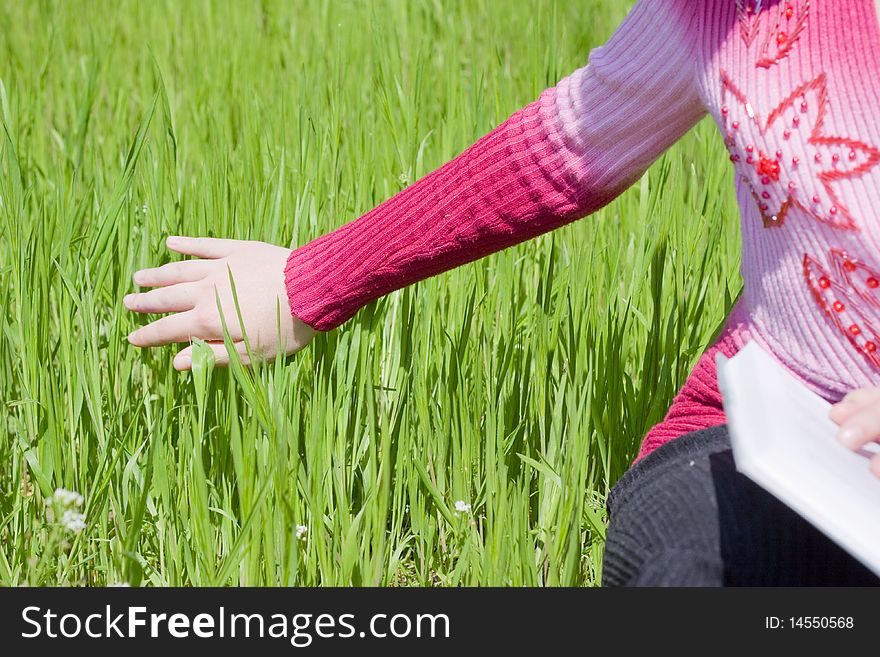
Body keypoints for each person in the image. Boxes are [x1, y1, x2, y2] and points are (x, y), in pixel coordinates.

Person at [122, 0, 880, 585]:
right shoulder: (724, 10)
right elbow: (565, 148)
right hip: (777, 427)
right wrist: (306, 283)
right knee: (676, 569)